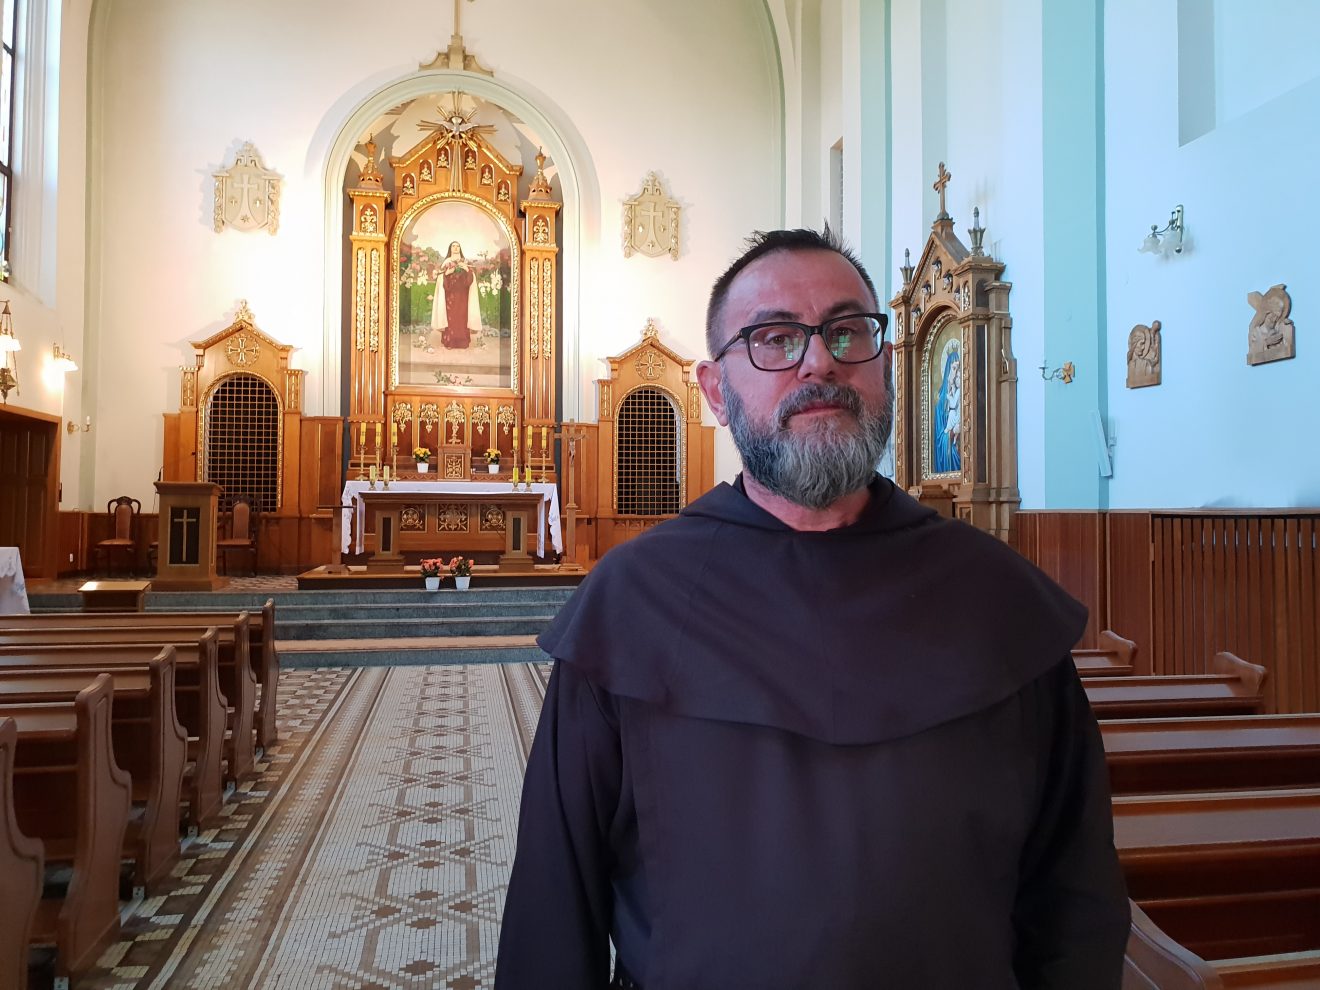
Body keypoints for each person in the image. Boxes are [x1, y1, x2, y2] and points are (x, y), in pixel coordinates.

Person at [496, 228, 1130, 989]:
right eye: (775, 338)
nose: (820, 361)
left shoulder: (995, 595)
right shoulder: (634, 598)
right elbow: (555, 896)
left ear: (886, 367)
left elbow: (1075, 896)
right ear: (715, 392)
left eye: (847, 331)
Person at [430, 240, 479, 348]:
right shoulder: (446, 262)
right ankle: (450, 342)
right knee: (451, 318)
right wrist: (447, 273)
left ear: (460, 249)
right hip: (450, 296)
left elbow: (470, 280)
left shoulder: (465, 262)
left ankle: (462, 342)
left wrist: (466, 269)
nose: (456, 248)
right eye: (453, 246)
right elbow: (441, 279)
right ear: (450, 249)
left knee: (462, 317)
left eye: (458, 246)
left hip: (463, 295)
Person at [933, 346, 961, 472]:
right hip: (949, 452)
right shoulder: (941, 401)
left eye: (959, 368)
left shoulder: (961, 393)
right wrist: (952, 432)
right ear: (948, 371)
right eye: (954, 368)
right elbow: (939, 439)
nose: (956, 372)